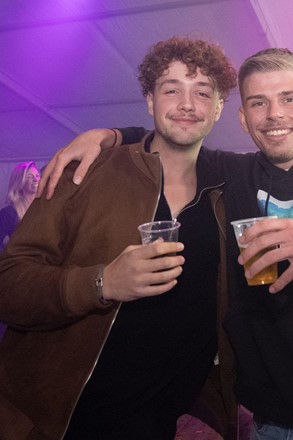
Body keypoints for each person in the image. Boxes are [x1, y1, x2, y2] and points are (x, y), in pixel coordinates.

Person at [38, 50, 293, 440]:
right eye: (258, 102)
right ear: (244, 118)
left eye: (289, 99)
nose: (275, 114)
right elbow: (174, 133)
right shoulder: (234, 172)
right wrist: (107, 136)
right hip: (267, 420)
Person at [0, 37, 240, 440]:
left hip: (159, 421)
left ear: (217, 107)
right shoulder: (86, 171)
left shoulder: (230, 186)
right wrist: (103, 283)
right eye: (171, 90)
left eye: (202, 92)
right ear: (150, 101)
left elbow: (292, 159)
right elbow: (8, 284)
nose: (187, 104)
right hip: (57, 420)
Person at [0, 161, 40, 252]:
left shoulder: (45, 206)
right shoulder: (9, 213)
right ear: (20, 182)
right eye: (29, 177)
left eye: (37, 176)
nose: (35, 179)